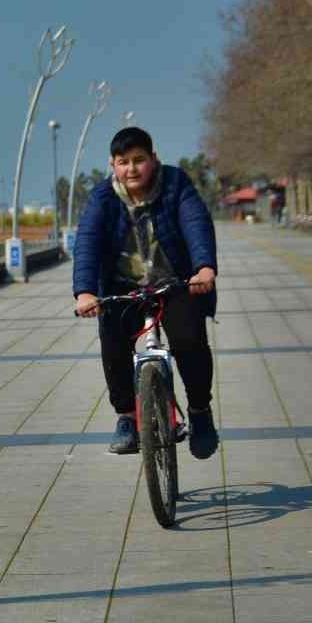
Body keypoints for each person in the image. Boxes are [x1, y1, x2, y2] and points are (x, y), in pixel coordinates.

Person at [72, 126, 219, 459]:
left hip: (176, 282)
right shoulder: (102, 198)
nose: (132, 169)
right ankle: (126, 417)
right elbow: (87, 244)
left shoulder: (175, 184)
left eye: (139, 160)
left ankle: (199, 412)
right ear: (113, 164)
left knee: (188, 340)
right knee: (113, 339)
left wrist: (204, 268)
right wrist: (84, 292)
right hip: (123, 287)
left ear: (154, 159)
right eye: (123, 162)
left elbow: (196, 223)